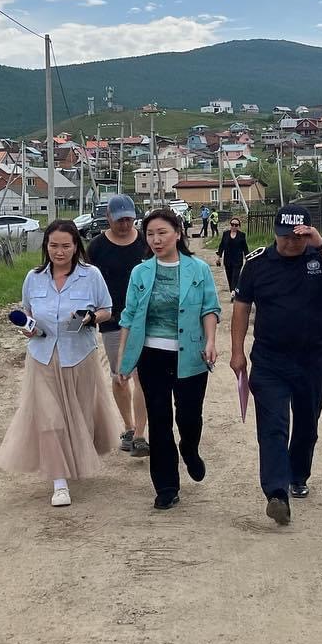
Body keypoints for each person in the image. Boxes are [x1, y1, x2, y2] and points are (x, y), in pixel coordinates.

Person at [230, 204, 322, 526]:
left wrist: (321, 243)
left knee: (306, 423)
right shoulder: (257, 263)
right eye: (286, 236)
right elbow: (242, 307)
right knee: (272, 425)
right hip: (270, 359)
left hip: (312, 358)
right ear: (276, 233)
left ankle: (298, 474)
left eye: (298, 237)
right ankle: (276, 493)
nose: (291, 243)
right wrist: (237, 352)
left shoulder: (321, 257)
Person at [0, 220, 118, 507]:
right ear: (46, 246)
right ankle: (59, 481)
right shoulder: (33, 277)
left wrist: (90, 318)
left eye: (65, 246)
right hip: (42, 356)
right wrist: (28, 327)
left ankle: (76, 458)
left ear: (76, 246)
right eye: (53, 246)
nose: (59, 252)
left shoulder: (91, 275)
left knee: (79, 415)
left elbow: (107, 309)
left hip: (79, 355)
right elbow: (27, 312)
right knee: (50, 419)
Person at [116, 208, 221, 510]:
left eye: (162, 232)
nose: (156, 240)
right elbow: (129, 316)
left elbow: (209, 308)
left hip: (191, 355)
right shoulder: (140, 273)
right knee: (159, 421)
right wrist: (124, 359)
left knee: (189, 417)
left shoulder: (198, 269)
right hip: (152, 356)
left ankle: (190, 449)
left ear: (177, 233)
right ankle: (166, 486)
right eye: (150, 234)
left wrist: (211, 341)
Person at [87, 194, 152, 456]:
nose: (125, 224)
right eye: (119, 220)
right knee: (120, 376)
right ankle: (128, 426)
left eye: (129, 219)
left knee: (143, 376)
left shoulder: (146, 242)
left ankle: (140, 434)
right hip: (113, 321)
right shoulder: (97, 247)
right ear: (108, 218)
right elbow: (88, 282)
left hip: (146, 319)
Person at [216, 215, 250, 293]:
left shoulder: (242, 235)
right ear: (230, 225)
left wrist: (248, 258)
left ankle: (233, 293)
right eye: (232, 224)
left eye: (236, 225)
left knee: (235, 278)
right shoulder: (225, 234)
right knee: (230, 278)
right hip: (227, 260)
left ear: (239, 226)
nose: (234, 226)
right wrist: (219, 257)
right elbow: (221, 246)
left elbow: (245, 248)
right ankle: (232, 291)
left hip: (237, 261)